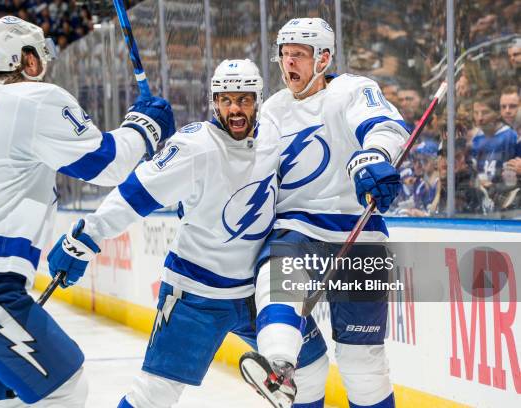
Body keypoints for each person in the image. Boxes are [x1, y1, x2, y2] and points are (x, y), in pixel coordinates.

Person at [0, 16, 175, 407]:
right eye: (38, 53)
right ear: (26, 59)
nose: (42, 64)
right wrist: (144, 126)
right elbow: (105, 164)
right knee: (64, 388)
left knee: (13, 394)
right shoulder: (36, 98)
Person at [47, 59, 327, 408]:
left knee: (312, 367)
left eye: (244, 99)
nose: (235, 109)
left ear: (258, 99)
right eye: (226, 100)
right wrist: (85, 237)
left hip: (256, 292)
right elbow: (134, 194)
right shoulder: (194, 147)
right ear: (214, 102)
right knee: (154, 395)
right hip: (195, 294)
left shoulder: (272, 133)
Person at [240, 18, 410, 408]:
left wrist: (375, 156)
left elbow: (383, 126)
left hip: (360, 235)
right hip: (297, 228)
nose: (288, 65)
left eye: (298, 55)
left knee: (362, 367)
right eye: (283, 56)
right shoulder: (272, 109)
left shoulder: (352, 89)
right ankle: (278, 368)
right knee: (278, 271)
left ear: (324, 58)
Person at [471, 90, 518, 182]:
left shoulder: (511, 136)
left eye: (485, 113)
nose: (480, 118)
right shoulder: (476, 139)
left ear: (498, 113)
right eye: (476, 113)